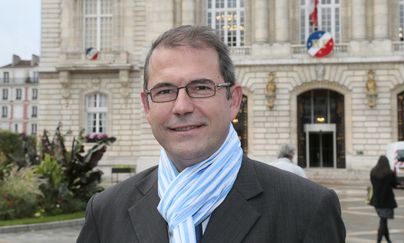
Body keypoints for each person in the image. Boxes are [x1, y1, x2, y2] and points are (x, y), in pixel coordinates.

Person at [77, 25, 345, 243]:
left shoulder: (307, 208)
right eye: (165, 91)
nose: (182, 106)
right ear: (147, 105)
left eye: (202, 87)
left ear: (234, 100)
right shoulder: (106, 211)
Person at [370, 155, 398, 243]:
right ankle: (378, 241)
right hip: (386, 201)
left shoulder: (373, 172)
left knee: (383, 221)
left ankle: (388, 240)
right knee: (383, 221)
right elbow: (395, 184)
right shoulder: (389, 173)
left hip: (377, 201)